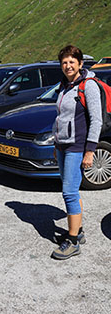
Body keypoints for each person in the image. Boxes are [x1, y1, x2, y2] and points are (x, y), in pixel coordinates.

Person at [51, 44, 102, 260]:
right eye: (64, 62)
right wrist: (55, 144)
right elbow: (59, 117)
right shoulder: (64, 86)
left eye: (72, 62)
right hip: (62, 145)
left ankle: (72, 242)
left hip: (77, 146)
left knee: (69, 191)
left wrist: (90, 150)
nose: (68, 65)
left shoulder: (88, 86)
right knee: (71, 189)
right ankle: (77, 231)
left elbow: (97, 120)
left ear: (80, 64)